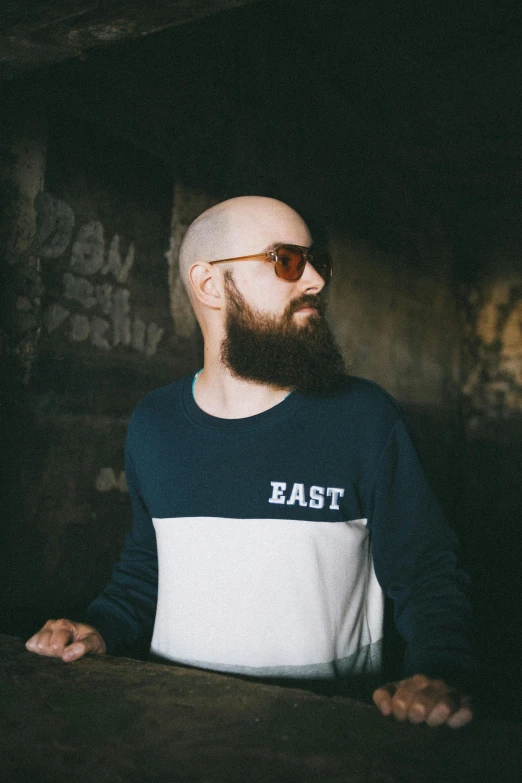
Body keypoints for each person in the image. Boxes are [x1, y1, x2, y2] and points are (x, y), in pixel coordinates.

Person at [26, 196, 476, 728]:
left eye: (317, 262)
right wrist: (97, 627)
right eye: (286, 260)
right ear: (210, 284)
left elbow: (427, 575)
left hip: (327, 735)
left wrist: (438, 671)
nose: (315, 281)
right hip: (174, 728)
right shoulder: (154, 422)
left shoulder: (363, 418)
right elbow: (147, 568)